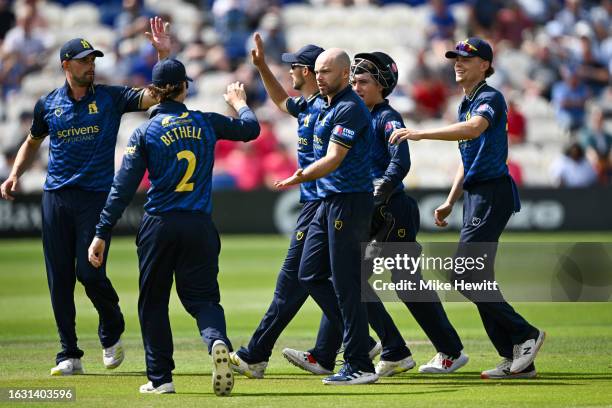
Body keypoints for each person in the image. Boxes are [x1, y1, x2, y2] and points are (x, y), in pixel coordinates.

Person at [0, 17, 171, 376]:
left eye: (93, 60)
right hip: (56, 199)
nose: (91, 65)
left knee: (89, 274)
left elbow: (155, 95)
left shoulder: (110, 97)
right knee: (58, 278)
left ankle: (111, 329)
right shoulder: (48, 105)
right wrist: (16, 174)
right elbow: (32, 142)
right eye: (84, 60)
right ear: (66, 65)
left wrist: (161, 54)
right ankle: (68, 353)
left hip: (95, 199)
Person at [87, 59, 260, 395]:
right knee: (204, 299)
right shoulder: (205, 122)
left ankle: (161, 378)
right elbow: (251, 129)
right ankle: (216, 342)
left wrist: (102, 230)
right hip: (199, 224)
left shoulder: (145, 132)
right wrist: (240, 104)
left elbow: (122, 188)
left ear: (153, 92)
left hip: (160, 226)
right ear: (185, 88)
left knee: (153, 302)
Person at [390, 38, 545, 380]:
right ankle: (514, 357)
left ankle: (525, 335)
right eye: (455, 58)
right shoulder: (466, 102)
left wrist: (421, 133)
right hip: (478, 194)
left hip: (493, 193)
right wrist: (450, 199)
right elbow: (467, 156)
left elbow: (475, 129)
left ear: (485, 65)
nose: (457, 63)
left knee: (464, 274)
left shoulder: (489, 98)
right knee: (476, 277)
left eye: (466, 58)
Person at [275, 48, 377, 385]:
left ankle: (360, 364)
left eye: (327, 71)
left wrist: (300, 176)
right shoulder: (325, 104)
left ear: (345, 74)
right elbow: (283, 103)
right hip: (328, 200)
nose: (319, 77)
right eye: (317, 71)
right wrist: (261, 64)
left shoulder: (349, 108)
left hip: (348, 201)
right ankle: (361, 343)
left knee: (346, 283)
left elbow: (334, 158)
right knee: (309, 274)